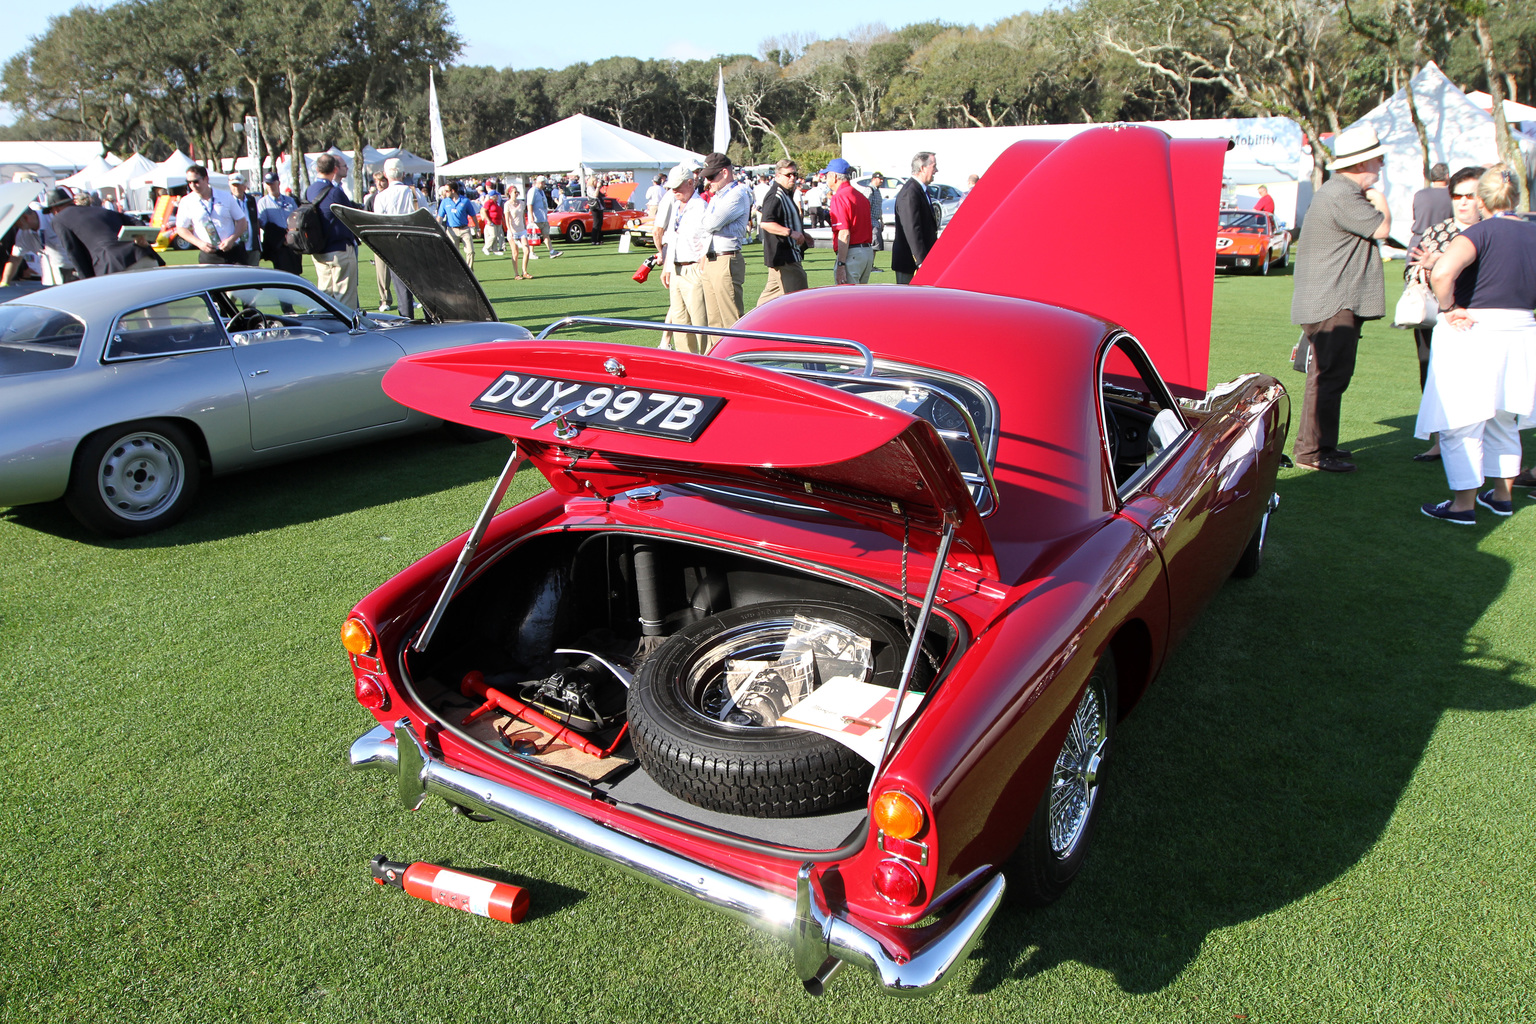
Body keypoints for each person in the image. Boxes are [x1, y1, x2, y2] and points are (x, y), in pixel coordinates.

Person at [1416, 165, 1536, 524]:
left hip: (1476, 330)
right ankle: (1501, 496)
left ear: (1482, 199)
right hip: (1522, 329)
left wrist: (1449, 307)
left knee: (1462, 418)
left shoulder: (1478, 232)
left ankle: (1462, 505)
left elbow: (1441, 273)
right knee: (1504, 416)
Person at [1288, 125, 1391, 474]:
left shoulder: (1336, 191)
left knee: (1327, 376)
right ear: (1362, 163)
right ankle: (1313, 452)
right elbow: (1382, 229)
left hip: (1330, 300)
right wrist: (1382, 201)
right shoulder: (1343, 193)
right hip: (1334, 302)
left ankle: (1319, 446)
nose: (1380, 165)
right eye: (1377, 159)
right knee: (1328, 378)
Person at [1403, 165, 1485, 460]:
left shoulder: (1491, 230)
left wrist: (1446, 262)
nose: (1463, 202)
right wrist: (1428, 266)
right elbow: (1410, 270)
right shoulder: (1437, 230)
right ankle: (1440, 441)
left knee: (1478, 381)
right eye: (1458, 195)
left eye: (1470, 196)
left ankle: (1480, 441)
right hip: (1436, 318)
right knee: (1433, 377)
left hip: (1477, 318)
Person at [42, 187, 162, 277]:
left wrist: (88, 280)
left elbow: (74, 252)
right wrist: (146, 239)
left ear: (55, 209)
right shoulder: (98, 210)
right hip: (144, 255)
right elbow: (135, 221)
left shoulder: (59, 219)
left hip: (114, 264)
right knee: (157, 308)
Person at [694, 151, 752, 328]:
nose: (708, 181)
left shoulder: (737, 194)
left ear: (725, 173)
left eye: (711, 176)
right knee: (714, 321)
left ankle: (735, 356)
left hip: (726, 258)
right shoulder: (718, 196)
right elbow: (702, 226)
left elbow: (711, 223)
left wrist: (705, 222)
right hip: (712, 258)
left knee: (731, 319)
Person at [660, 163, 708, 353]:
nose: (674, 191)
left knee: (700, 323)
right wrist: (667, 266)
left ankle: (708, 364)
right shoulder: (676, 205)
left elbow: (706, 239)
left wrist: (702, 267)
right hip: (676, 269)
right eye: (672, 187)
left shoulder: (700, 206)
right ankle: (687, 364)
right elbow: (673, 238)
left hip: (694, 268)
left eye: (678, 186)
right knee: (679, 323)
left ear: (690, 183)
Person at [305, 153, 362, 308]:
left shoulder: (310, 190)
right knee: (345, 297)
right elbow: (350, 214)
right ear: (335, 169)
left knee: (325, 296)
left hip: (319, 249)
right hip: (339, 249)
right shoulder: (334, 192)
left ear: (317, 168)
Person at [756, 159, 812, 305]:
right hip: (785, 257)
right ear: (778, 176)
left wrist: (802, 233)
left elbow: (785, 219)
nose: (793, 178)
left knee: (767, 302)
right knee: (800, 300)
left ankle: (752, 324)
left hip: (781, 258)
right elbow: (766, 223)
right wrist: (791, 233)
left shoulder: (786, 194)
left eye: (795, 174)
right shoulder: (776, 195)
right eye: (789, 175)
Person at [371, 158, 422, 318]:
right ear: (403, 173)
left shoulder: (381, 197)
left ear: (386, 175)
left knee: (402, 289)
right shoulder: (416, 192)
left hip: (394, 245)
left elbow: (378, 225)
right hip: (416, 243)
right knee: (422, 287)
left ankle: (407, 320)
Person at [174, 164, 249, 265]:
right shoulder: (186, 201)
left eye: (196, 181)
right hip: (209, 254)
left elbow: (242, 221)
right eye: (189, 182)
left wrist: (231, 240)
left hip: (233, 252)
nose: (192, 185)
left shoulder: (225, 196)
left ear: (206, 179)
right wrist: (199, 244)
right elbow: (181, 228)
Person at [824, 158, 873, 285]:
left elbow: (844, 233)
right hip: (866, 253)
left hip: (852, 254)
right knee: (860, 300)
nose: (825, 179)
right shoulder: (860, 196)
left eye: (827, 175)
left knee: (847, 300)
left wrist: (841, 264)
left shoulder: (840, 197)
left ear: (834, 176)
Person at [892, 151, 939, 284]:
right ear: (923, 168)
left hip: (920, 262)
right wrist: (921, 262)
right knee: (907, 303)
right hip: (910, 264)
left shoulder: (920, 190)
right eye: (934, 166)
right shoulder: (910, 192)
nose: (936, 170)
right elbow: (912, 229)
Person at [257, 171, 301, 276]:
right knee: (283, 273)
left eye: (273, 183)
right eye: (268, 184)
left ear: (278, 183)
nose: (271, 186)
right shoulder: (263, 202)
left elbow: (298, 218)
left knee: (296, 272)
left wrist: (291, 233)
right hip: (278, 244)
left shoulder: (290, 200)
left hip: (293, 241)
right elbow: (263, 223)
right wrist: (282, 236)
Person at [1406, 163, 1452, 260]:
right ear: (1447, 176)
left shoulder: (1419, 194)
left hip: (1419, 243)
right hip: (1443, 243)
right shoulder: (1452, 196)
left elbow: (1416, 217)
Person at [436, 183, 476, 269]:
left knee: (470, 251)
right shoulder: (445, 202)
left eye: (447, 191)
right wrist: (436, 227)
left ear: (453, 191)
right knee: (453, 254)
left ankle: (469, 271)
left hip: (464, 229)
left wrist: (478, 228)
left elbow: (473, 215)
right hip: (451, 230)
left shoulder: (465, 201)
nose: (445, 193)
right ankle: (457, 271)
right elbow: (440, 217)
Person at [227, 173, 261, 267]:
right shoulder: (227, 201)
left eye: (239, 185)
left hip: (252, 245)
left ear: (244, 186)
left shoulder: (251, 200)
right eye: (234, 185)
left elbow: (256, 221)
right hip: (236, 246)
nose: (236, 188)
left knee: (254, 274)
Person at [1, 208, 42, 286]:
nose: (16, 227)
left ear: (25, 218)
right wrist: (4, 282)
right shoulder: (23, 233)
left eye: (16, 224)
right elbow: (15, 258)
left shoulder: (52, 220)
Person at [526, 176, 561, 259]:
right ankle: (531, 252)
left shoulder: (541, 191)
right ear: (539, 182)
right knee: (534, 235)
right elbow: (529, 204)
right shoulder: (533, 191)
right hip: (536, 217)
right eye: (543, 183)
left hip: (543, 217)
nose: (544, 185)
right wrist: (531, 216)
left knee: (546, 235)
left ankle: (552, 251)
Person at [506, 185, 531, 280]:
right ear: (510, 193)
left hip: (522, 230)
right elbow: (507, 219)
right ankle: (516, 274)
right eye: (514, 192)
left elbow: (523, 216)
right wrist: (510, 231)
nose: (516, 194)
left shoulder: (521, 203)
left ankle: (524, 271)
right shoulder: (507, 204)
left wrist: (526, 226)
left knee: (526, 250)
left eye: (517, 192)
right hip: (513, 231)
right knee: (515, 252)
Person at [481, 187, 506, 256]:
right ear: (493, 196)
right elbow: (484, 211)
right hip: (491, 221)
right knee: (493, 235)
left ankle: (495, 249)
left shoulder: (496, 203)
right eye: (496, 195)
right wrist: (488, 220)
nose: (498, 197)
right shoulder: (489, 202)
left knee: (496, 236)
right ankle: (486, 247)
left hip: (498, 222)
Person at [866, 171, 885, 253]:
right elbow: (865, 206)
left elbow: (878, 207)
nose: (881, 181)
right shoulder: (869, 190)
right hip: (870, 221)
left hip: (876, 221)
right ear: (874, 179)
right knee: (873, 244)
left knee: (876, 245)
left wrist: (881, 221)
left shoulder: (877, 190)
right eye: (880, 179)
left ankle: (871, 264)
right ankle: (870, 265)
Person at [587, 176, 607, 246]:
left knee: (600, 223)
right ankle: (594, 240)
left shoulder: (595, 188)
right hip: (595, 207)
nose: (597, 182)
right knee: (596, 223)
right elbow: (595, 195)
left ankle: (599, 239)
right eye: (596, 181)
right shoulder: (590, 188)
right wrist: (598, 187)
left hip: (599, 207)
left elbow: (601, 195)